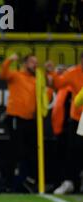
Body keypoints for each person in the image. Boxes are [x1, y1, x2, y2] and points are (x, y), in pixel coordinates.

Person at [0, 53, 40, 193]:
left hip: (30, 119)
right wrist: (9, 59)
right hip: (15, 117)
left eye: (36, 62)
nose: (35, 64)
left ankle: (25, 181)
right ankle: (9, 183)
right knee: (16, 151)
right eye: (32, 62)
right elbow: (3, 75)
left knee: (29, 152)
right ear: (25, 63)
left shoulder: (36, 80)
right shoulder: (16, 75)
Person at [46, 53, 83, 194]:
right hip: (79, 118)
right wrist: (51, 72)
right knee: (75, 150)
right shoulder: (73, 72)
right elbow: (57, 84)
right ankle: (69, 182)